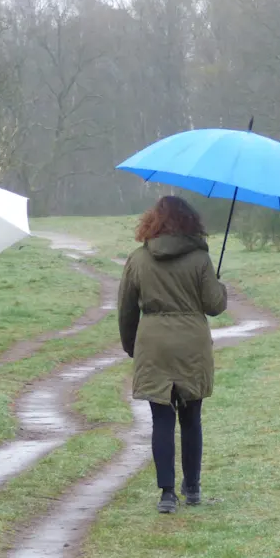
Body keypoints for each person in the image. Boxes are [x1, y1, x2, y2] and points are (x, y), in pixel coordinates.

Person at [118, 195, 228, 514]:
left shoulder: (138, 259)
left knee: (161, 419)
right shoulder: (200, 259)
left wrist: (131, 346)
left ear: (152, 221)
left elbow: (126, 310)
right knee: (191, 417)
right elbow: (215, 305)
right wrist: (219, 287)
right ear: (191, 223)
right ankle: (192, 487)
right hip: (192, 342)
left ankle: (167, 493)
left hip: (153, 344)